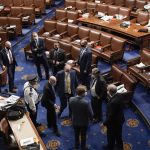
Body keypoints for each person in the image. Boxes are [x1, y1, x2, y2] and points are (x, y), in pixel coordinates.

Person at [69, 85, 93, 150]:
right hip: (84, 123)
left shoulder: (71, 99)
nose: (86, 92)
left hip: (75, 121)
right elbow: (91, 114)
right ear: (82, 93)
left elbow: (70, 110)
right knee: (83, 136)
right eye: (85, 91)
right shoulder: (86, 103)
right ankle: (83, 147)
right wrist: (91, 120)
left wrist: (71, 118)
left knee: (76, 135)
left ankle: (76, 146)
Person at [102, 84, 125, 150]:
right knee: (118, 135)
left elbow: (111, 116)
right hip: (120, 119)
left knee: (111, 136)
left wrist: (104, 123)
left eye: (108, 90)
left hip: (113, 123)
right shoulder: (120, 95)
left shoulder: (113, 102)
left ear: (110, 92)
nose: (107, 91)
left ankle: (110, 147)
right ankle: (120, 147)